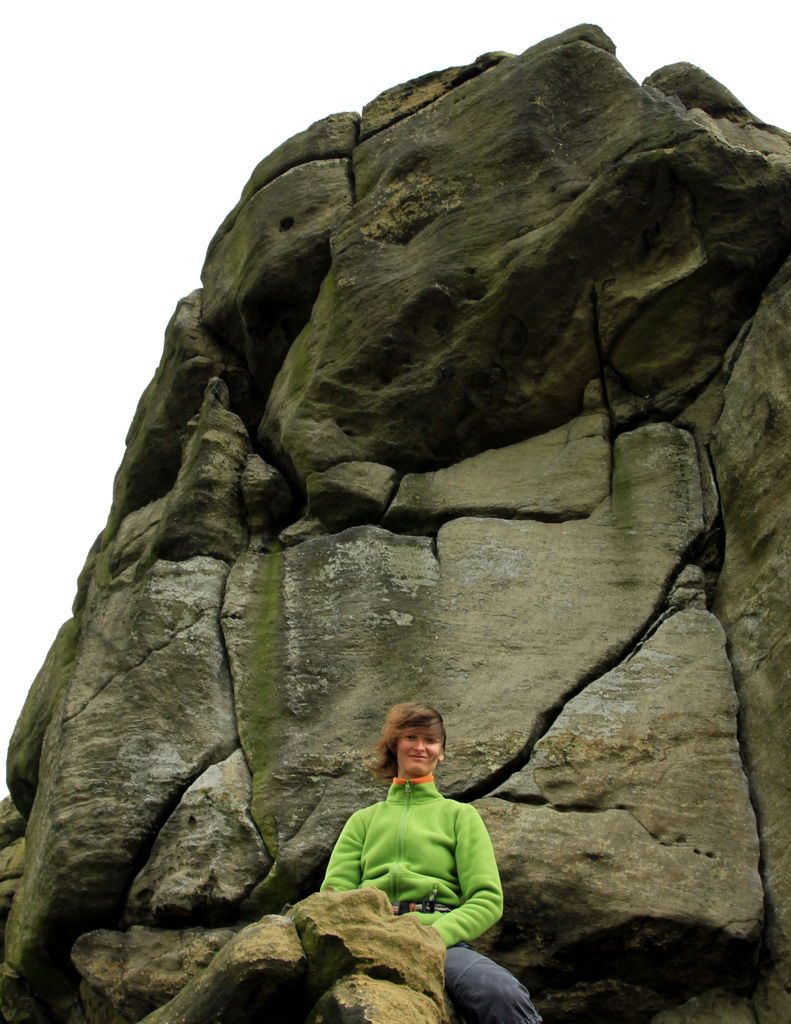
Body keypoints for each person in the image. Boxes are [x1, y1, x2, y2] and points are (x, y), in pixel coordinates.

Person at [321, 701, 542, 1024]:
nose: (420, 747)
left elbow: (487, 899)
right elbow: (335, 894)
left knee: (500, 992)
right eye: (411, 737)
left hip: (440, 943)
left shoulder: (460, 816)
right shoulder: (362, 821)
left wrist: (434, 935)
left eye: (431, 740)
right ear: (395, 746)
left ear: (441, 752)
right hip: (370, 937)